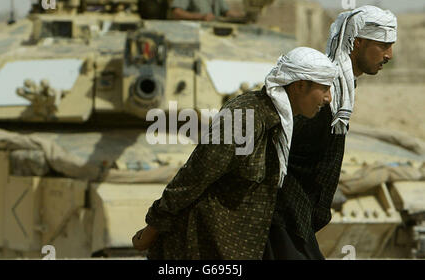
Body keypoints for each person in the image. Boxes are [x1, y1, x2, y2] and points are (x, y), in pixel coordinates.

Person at [132, 47, 338, 260]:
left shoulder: (280, 123)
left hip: (238, 247)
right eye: (324, 88)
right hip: (202, 246)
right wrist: (153, 227)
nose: (328, 98)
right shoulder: (246, 117)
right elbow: (194, 176)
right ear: (300, 86)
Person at [265, 5, 397, 260]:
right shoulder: (322, 95)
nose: (389, 54)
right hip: (282, 221)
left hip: (298, 221)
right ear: (357, 42)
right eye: (383, 45)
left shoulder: (341, 90)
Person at [170, 0, 244, 22]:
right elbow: (177, 13)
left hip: (214, 33)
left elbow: (227, 12)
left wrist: (243, 16)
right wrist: (201, 17)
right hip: (195, 33)